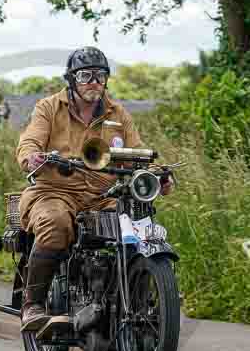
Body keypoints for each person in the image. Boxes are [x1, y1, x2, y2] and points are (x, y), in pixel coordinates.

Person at [15, 46, 175, 332]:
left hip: (103, 197)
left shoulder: (118, 114)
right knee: (55, 223)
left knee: (140, 225)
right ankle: (33, 304)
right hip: (54, 190)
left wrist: (156, 175)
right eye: (86, 75)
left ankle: (141, 297)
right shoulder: (49, 107)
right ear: (71, 79)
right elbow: (30, 141)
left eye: (100, 76)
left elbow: (137, 153)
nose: (94, 82)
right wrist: (32, 156)